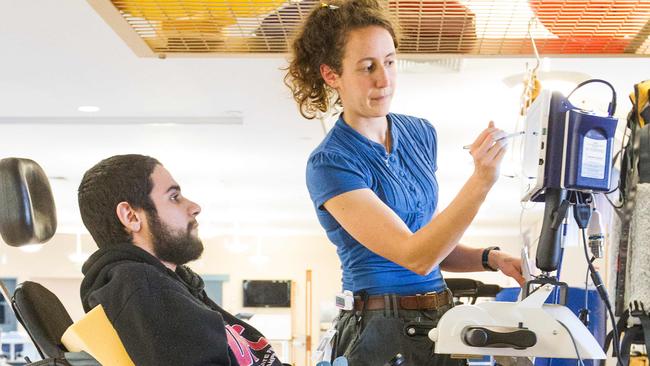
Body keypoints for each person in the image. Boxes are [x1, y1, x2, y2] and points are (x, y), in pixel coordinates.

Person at [284, 0, 526, 365]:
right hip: (379, 330)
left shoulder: (419, 133)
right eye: (368, 67)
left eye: (390, 61)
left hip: (442, 319)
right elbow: (416, 256)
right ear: (332, 74)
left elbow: (430, 239)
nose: (385, 79)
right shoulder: (330, 163)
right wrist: (481, 181)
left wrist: (491, 259)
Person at [77, 154, 284, 366]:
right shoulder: (143, 286)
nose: (194, 207)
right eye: (174, 197)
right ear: (131, 217)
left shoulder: (170, 284)